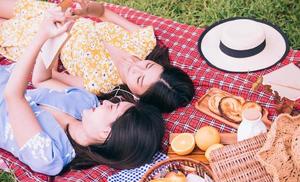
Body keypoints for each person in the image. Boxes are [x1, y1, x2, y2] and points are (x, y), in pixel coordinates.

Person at [0, 8, 165, 176]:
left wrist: (41, 37)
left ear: (105, 133)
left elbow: (13, 96)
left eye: (111, 108)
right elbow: (41, 80)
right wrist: (56, 37)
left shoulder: (49, 156)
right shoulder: (87, 102)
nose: (106, 102)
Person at [0, 0, 195, 113]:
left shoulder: (99, 85)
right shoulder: (144, 42)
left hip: (40, 37)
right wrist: (85, 9)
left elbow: (44, 77)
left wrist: (55, 39)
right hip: (56, 13)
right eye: (148, 66)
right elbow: (102, 12)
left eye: (139, 77)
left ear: (136, 94)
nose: (136, 67)